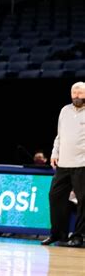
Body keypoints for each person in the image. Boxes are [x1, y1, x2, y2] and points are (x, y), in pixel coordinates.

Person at [42, 81, 85, 248]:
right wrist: (54, 153)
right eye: (74, 93)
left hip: (82, 164)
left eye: (80, 93)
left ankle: (78, 235)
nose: (77, 96)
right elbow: (59, 135)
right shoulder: (65, 111)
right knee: (55, 196)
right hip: (64, 164)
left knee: (83, 200)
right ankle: (57, 234)